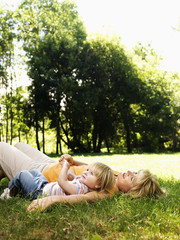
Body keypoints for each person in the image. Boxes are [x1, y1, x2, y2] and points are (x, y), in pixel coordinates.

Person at [0, 142, 165, 211]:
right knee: (19, 145)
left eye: (132, 178)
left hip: (42, 173)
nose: (129, 172)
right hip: (52, 163)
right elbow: (91, 168)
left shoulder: (108, 191)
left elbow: (81, 198)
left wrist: (51, 200)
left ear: (131, 192)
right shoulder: (114, 176)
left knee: (2, 147)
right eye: (134, 172)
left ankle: (13, 185)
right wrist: (72, 161)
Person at [6, 160, 115, 200]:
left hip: (39, 192)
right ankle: (22, 192)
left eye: (91, 173)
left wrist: (65, 168)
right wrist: (71, 174)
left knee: (22, 174)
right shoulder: (83, 184)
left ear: (98, 184)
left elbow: (62, 183)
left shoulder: (80, 190)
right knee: (35, 172)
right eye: (87, 169)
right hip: (46, 185)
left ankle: (10, 193)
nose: (86, 172)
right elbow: (72, 179)